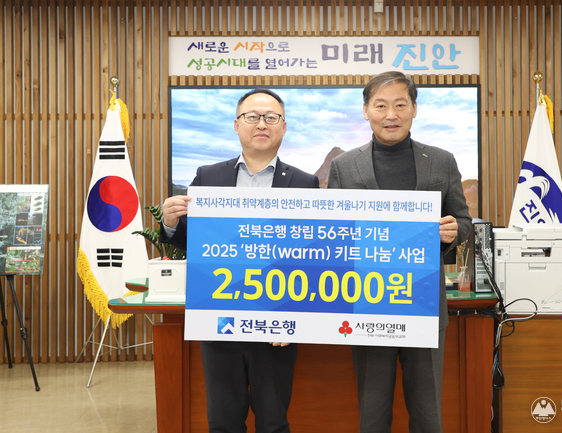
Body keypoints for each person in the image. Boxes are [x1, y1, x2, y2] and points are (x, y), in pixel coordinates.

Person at [160, 88, 319, 433]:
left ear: (283, 127)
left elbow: (311, 256)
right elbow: (193, 242)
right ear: (237, 125)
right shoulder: (208, 177)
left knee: (274, 422)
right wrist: (171, 224)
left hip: (277, 323)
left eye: (271, 117)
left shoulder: (304, 183)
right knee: (223, 422)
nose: (261, 124)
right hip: (219, 318)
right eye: (252, 116)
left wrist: (295, 314)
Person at [327, 71, 471, 433]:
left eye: (400, 105)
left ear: (414, 109)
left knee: (427, 411)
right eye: (380, 106)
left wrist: (453, 231)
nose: (391, 114)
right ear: (366, 111)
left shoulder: (441, 161)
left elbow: (464, 222)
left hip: (424, 301)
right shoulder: (345, 166)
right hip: (367, 301)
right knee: (373, 412)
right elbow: (332, 232)